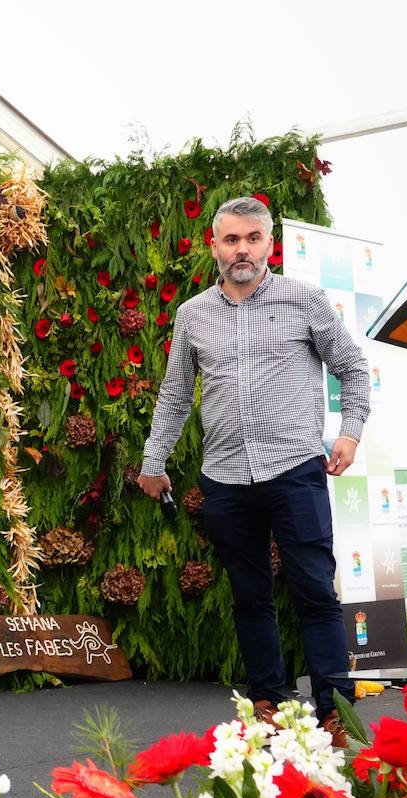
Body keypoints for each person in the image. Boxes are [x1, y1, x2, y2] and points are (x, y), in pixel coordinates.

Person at [138, 196, 371, 745]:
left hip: (294, 470)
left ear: (271, 244)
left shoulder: (304, 300)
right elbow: (174, 397)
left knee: (314, 591)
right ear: (214, 246)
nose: (241, 249)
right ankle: (268, 703)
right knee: (249, 596)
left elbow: (352, 368)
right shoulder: (192, 313)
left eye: (252, 239)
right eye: (231, 239)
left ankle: (336, 712)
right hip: (224, 478)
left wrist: (350, 431)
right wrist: (154, 461)